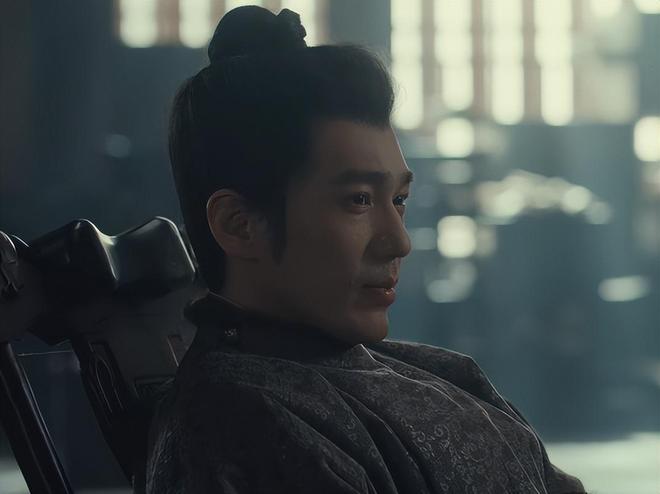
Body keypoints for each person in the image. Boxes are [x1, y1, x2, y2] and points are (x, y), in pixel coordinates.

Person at [146, 5, 585, 493]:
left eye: (398, 200)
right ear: (239, 225)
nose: (399, 241)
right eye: (358, 200)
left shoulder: (442, 370)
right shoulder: (241, 422)